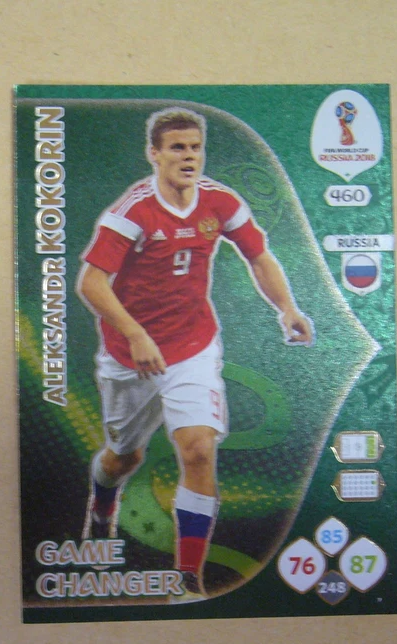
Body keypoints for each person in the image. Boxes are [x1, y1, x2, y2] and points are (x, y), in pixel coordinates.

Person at [76, 107, 313, 602]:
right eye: (177, 148)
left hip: (192, 346)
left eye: (195, 148)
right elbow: (91, 283)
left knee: (199, 449)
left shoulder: (221, 201)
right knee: (124, 457)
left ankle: (187, 580)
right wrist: (135, 334)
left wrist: (287, 307)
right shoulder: (133, 212)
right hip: (129, 354)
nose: (188, 157)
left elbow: (258, 256)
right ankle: (102, 506)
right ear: (154, 154)